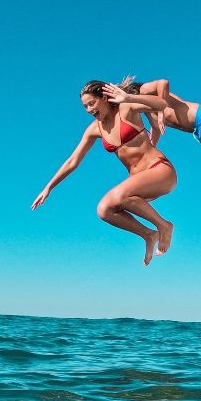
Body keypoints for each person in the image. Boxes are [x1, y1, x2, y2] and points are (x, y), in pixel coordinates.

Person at [32, 81, 176, 265]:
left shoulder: (126, 108)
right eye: (85, 106)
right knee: (104, 209)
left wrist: (129, 97)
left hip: (160, 170)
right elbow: (73, 161)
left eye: (92, 103)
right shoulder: (95, 129)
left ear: (105, 98)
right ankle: (149, 235)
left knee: (119, 195)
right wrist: (48, 188)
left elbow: (162, 104)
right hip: (139, 183)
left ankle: (164, 225)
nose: (89, 109)